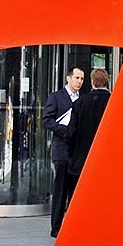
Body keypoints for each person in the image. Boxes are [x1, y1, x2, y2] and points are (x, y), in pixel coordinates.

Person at [42, 66, 85, 237]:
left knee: (75, 191)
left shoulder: (83, 99)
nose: (79, 82)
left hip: (76, 152)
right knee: (60, 190)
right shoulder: (56, 97)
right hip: (61, 150)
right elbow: (46, 120)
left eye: (82, 79)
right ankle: (56, 228)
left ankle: (73, 227)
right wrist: (64, 130)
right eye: (77, 78)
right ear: (68, 78)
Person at [68, 69, 112, 177]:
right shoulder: (114, 101)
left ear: (92, 81)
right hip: (108, 157)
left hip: (83, 159)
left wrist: (71, 155)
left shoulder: (80, 103)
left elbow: (71, 132)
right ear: (107, 82)